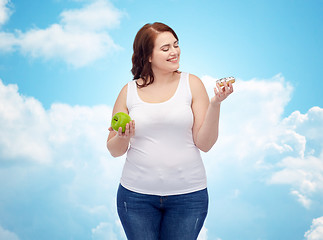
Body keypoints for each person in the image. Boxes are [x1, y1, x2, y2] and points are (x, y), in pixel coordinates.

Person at [107, 22, 233, 240]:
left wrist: (215, 104)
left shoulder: (191, 83)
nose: (174, 52)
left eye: (176, 45)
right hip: (136, 197)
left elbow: (205, 143)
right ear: (147, 56)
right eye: (165, 48)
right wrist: (121, 136)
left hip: (189, 197)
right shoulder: (128, 92)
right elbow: (114, 150)